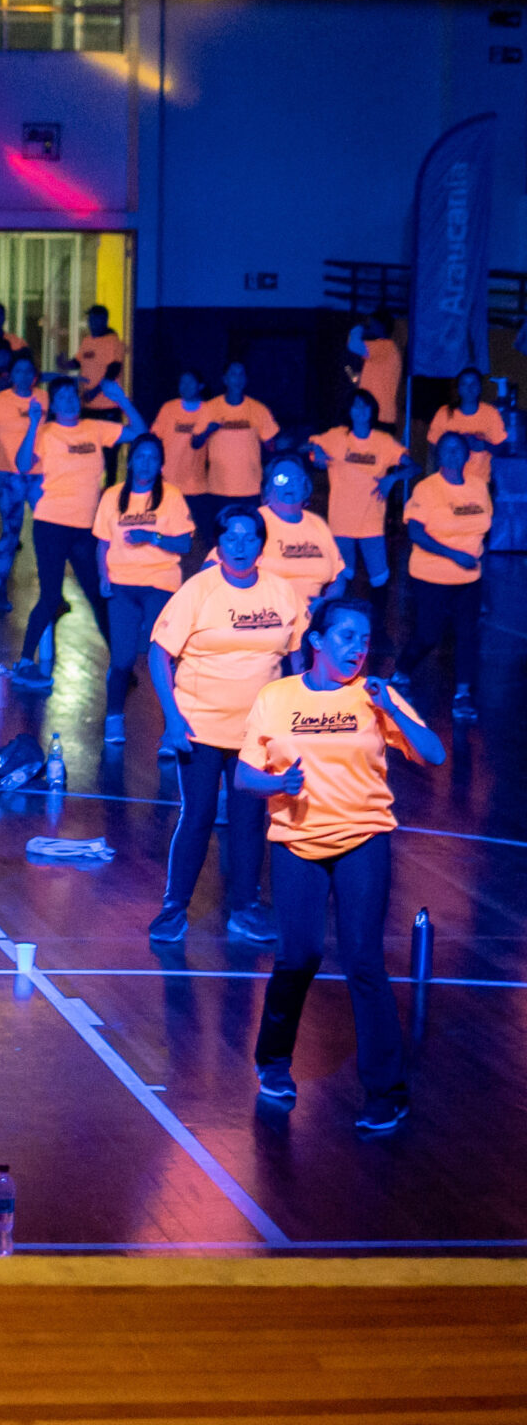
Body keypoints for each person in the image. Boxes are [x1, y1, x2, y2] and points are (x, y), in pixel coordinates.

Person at [237, 596, 441, 1136]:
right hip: (297, 841)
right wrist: (279, 784)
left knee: (364, 961)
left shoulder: (375, 697)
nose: (357, 648)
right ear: (317, 641)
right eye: (346, 637)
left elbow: (435, 754)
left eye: (365, 640)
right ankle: (274, 1062)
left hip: (363, 839)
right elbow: (244, 778)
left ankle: (387, 1093)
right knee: (299, 954)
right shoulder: (276, 697)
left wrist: (391, 710)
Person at [148, 505, 307, 946]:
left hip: (258, 734)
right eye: (230, 538)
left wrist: (296, 722)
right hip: (199, 729)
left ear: (262, 544)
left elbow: (297, 660)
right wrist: (173, 721)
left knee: (249, 818)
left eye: (249, 538)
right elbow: (159, 654)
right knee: (197, 815)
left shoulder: (282, 592)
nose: (240, 546)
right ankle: (174, 907)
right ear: (218, 544)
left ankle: (244, 908)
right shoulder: (199, 590)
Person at [8, 377, 142, 689]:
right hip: (51, 524)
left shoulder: (95, 428)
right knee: (51, 595)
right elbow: (22, 464)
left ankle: (121, 666)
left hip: (86, 529)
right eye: (61, 396)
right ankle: (26, 662)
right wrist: (32, 423)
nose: (68, 399)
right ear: (53, 405)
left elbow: (140, 433)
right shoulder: (47, 432)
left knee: (98, 595)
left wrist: (121, 399)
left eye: (72, 394)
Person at [91, 435, 194, 744]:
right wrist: (103, 576)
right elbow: (102, 542)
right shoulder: (112, 496)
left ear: (161, 464)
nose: (146, 463)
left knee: (160, 657)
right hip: (122, 585)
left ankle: (171, 728)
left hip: (160, 584)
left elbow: (185, 543)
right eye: (140, 456)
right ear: (131, 460)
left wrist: (153, 538)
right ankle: (114, 718)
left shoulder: (172, 497)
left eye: (152, 458)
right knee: (122, 659)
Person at [398, 431, 495, 722]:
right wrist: (454, 555)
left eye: (458, 449)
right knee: (429, 634)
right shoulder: (427, 489)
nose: (453, 453)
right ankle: (401, 673)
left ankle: (463, 695)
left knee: (468, 635)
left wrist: (478, 560)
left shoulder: (479, 486)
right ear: (439, 456)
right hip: (431, 576)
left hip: (469, 579)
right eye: (447, 449)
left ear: (467, 456)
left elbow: (484, 528)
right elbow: (415, 532)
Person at [306, 391, 408, 600]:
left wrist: (392, 478)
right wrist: (317, 450)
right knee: (343, 577)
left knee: (379, 578)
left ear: (372, 411)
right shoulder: (337, 436)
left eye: (365, 406)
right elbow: (309, 444)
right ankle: (342, 622)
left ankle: (378, 628)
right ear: (349, 411)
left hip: (372, 523)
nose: (360, 410)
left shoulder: (383, 441)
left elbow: (413, 467)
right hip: (341, 523)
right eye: (356, 406)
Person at [0, 356, 46, 607]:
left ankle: (52, 592)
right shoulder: (0, 401)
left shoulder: (44, 398)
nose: (24, 375)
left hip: (41, 475)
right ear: (11, 375)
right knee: (10, 532)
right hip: (9, 476)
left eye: (29, 370)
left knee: (49, 532)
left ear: (35, 376)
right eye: (19, 370)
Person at [193, 362, 280, 529]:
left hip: (251, 488)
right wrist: (207, 431)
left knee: (251, 532)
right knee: (221, 534)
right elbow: (195, 443)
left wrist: (278, 445)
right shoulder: (211, 408)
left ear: (246, 380)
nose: (237, 379)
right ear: (225, 379)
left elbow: (271, 447)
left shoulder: (258, 409)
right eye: (233, 374)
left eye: (241, 374)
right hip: (219, 487)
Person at [257, 457, 347, 616]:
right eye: (281, 479)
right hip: (267, 620)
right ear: (268, 488)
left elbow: (338, 578)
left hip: (311, 619)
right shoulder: (255, 522)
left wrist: (325, 603)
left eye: (296, 479)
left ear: (305, 487)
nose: (289, 484)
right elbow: (213, 568)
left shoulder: (317, 524)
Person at [150, 367, 213, 504]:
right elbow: (154, 438)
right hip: (167, 481)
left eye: (190, 382)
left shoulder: (210, 410)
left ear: (200, 386)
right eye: (182, 382)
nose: (186, 386)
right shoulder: (168, 408)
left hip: (196, 485)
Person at [426, 367, 507, 470]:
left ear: (480, 388)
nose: (469, 388)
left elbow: (502, 449)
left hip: (480, 481)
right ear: (459, 388)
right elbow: (433, 449)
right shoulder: (444, 413)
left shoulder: (491, 413)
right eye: (464, 384)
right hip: (448, 480)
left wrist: (484, 445)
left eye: (473, 384)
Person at [346, 313, 402, 430]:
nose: (369, 327)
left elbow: (353, 344)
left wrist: (358, 329)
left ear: (380, 326)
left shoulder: (384, 346)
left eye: (372, 324)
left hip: (379, 416)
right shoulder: (383, 350)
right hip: (378, 415)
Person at [75, 305, 124, 401]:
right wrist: (63, 363)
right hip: (87, 402)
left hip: (107, 403)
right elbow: (78, 361)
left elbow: (113, 371)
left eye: (94, 319)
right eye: (89, 319)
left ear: (104, 320)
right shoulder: (87, 341)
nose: (90, 322)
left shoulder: (113, 341)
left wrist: (94, 392)